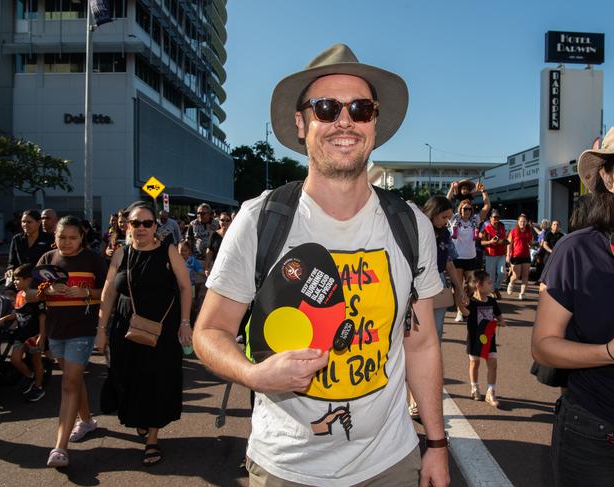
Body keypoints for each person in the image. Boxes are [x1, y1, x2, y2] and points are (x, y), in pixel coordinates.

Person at [194, 44, 449, 486]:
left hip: (391, 462)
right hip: (287, 467)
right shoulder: (261, 220)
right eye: (327, 108)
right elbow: (209, 332)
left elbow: (421, 344)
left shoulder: (411, 224)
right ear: (301, 123)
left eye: (360, 108)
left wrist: (438, 445)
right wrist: (255, 374)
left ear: (374, 122)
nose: (344, 121)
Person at [532, 128, 614, 486]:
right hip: (595, 432)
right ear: (608, 177)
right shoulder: (577, 250)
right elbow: (543, 346)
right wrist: (609, 351)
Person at [97, 201, 192, 466]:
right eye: (135, 223)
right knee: (126, 376)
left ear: (155, 226)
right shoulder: (120, 254)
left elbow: (185, 287)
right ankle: (140, 418)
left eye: (147, 223)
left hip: (161, 329)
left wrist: (185, 322)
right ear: (127, 225)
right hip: (124, 327)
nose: (141, 228)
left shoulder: (168, 251)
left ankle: (152, 438)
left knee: (156, 381)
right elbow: (108, 293)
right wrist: (101, 329)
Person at [33, 216, 107, 468]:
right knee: (72, 380)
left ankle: (60, 448)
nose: (66, 242)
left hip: (82, 330)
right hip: (56, 330)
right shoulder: (47, 259)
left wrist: (85, 292)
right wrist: (46, 291)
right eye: (61, 237)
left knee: (69, 384)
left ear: (82, 237)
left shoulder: (93, 260)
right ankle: (87, 421)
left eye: (72, 238)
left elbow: (109, 292)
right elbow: (28, 292)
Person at [422, 196, 468, 339]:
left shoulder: (445, 234)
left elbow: (449, 263)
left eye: (449, 217)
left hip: (440, 282)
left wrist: (460, 290)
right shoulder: (418, 231)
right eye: (444, 217)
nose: (447, 221)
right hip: (418, 284)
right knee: (417, 330)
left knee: (437, 328)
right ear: (433, 213)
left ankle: (433, 360)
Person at [461, 270, 506, 407]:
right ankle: (474, 387)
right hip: (475, 339)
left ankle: (490, 391)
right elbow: (464, 312)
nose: (492, 285)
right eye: (489, 282)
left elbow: (500, 317)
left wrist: (500, 322)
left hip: (489, 339)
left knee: (493, 364)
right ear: (479, 285)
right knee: (475, 364)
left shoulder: (492, 301)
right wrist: (460, 302)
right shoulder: (471, 303)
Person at [448, 186, 491, 321]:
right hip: (457, 258)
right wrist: (451, 188)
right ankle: (460, 312)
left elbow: (487, 206)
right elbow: (446, 203)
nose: (467, 211)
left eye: (469, 209)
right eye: (464, 209)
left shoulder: (475, 220)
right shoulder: (454, 219)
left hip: (471, 257)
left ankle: (468, 306)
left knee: (471, 286)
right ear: (460, 209)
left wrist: (483, 191)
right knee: (458, 286)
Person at [8, 264, 47, 402]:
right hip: (21, 334)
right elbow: (16, 313)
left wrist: (42, 335)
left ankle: (38, 386)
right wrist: (2, 319)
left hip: (33, 335)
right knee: (15, 359)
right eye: (14, 279)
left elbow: (43, 316)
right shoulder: (19, 294)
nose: (15, 282)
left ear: (28, 280)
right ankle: (30, 376)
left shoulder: (36, 296)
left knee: (36, 361)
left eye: (18, 279)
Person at [7, 209, 55, 278]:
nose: (25, 224)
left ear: (38, 223)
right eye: (23, 222)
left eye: (29, 222)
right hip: (22, 280)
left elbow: (52, 261)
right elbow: (12, 262)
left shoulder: (49, 239)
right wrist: (10, 270)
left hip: (42, 278)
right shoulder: (17, 239)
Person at [479, 210, 508, 299]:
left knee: (502, 273)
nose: (496, 219)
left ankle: (495, 288)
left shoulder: (502, 226)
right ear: (490, 218)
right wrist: (491, 241)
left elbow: (505, 239)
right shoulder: (486, 228)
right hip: (490, 254)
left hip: (501, 254)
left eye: (498, 217)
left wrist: (503, 242)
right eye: (494, 217)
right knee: (490, 276)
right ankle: (491, 291)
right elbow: (482, 242)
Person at [506, 214, 534, 300]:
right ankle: (511, 283)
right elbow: (509, 244)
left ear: (526, 223)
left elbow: (531, 243)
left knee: (525, 276)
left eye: (524, 221)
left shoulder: (528, 232)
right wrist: (508, 255)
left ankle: (522, 293)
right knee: (516, 276)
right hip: (515, 256)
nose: (522, 223)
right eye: (521, 221)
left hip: (526, 256)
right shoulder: (513, 231)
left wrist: (533, 243)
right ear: (518, 222)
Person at [204, 212, 231, 278]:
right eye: (222, 220)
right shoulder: (214, 235)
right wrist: (206, 267)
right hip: (216, 267)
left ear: (231, 222)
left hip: (230, 268)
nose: (224, 222)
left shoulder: (234, 235)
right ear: (219, 221)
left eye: (227, 220)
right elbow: (209, 252)